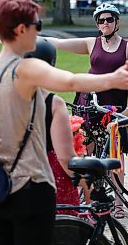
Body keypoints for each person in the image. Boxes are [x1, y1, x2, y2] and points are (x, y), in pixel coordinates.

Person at [0, 0, 128, 245]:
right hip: (31, 187)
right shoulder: (26, 67)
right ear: (21, 29)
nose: (40, 33)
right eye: (36, 26)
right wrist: (112, 79)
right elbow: (69, 80)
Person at [47, 3, 128, 219]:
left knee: (116, 157)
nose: (105, 23)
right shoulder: (92, 43)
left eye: (109, 19)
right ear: (97, 24)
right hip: (89, 105)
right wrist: (36, 39)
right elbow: (60, 43)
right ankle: (90, 201)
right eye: (101, 20)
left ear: (117, 22)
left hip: (114, 110)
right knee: (86, 153)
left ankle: (119, 203)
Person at [24, 37, 85, 215]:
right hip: (48, 181)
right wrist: (87, 186)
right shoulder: (53, 103)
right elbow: (65, 158)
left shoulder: (1, 97)